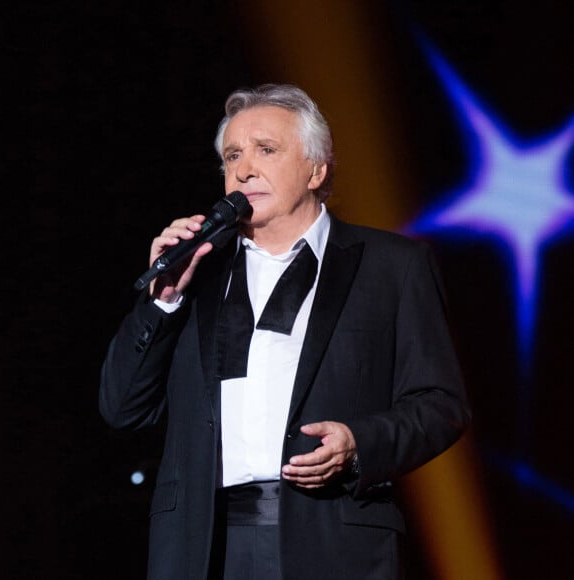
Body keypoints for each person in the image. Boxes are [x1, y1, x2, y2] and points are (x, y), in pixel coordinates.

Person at [100, 83, 470, 580]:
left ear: (317, 169)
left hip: (332, 539)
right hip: (201, 546)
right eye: (232, 155)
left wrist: (360, 444)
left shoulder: (392, 267)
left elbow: (440, 405)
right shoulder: (197, 275)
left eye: (266, 150)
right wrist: (163, 300)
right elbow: (122, 406)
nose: (244, 168)